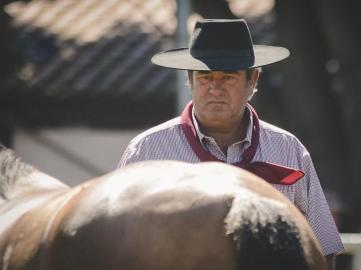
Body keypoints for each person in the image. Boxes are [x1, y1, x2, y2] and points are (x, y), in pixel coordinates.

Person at [118, 19, 344, 269]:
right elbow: (115, 243)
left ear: (252, 79)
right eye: (205, 76)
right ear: (190, 79)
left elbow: (324, 247)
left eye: (228, 77)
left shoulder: (289, 150)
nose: (215, 89)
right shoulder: (147, 151)